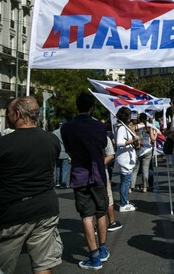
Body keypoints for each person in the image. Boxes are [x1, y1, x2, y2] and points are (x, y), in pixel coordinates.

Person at [0, 96, 62, 274]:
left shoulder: (0, 144)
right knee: (43, 265)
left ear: (17, 114)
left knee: (1, 266)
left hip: (14, 212)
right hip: (46, 207)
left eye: (8, 113)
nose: (7, 117)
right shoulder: (52, 140)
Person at [62, 92, 111, 269]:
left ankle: (94, 257)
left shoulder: (66, 128)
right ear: (92, 107)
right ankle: (103, 249)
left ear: (77, 106)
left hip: (80, 174)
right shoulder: (100, 126)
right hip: (98, 173)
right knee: (101, 212)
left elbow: (69, 151)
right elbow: (103, 146)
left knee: (86, 215)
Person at [114, 107, 139, 213]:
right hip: (125, 159)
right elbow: (119, 143)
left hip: (126, 158)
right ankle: (123, 204)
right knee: (125, 181)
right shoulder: (122, 128)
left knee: (125, 181)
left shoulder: (123, 126)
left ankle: (124, 201)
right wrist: (133, 140)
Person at [131, 113, 156, 193]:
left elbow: (132, 137)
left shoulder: (135, 126)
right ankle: (145, 187)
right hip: (147, 150)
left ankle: (131, 187)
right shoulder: (149, 127)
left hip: (138, 150)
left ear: (139, 119)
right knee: (145, 170)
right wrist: (156, 135)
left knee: (135, 170)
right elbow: (152, 140)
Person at [53, 119, 69, 188]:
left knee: (58, 168)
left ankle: (57, 183)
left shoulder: (54, 132)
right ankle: (63, 183)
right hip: (65, 152)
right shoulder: (67, 132)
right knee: (65, 168)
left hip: (57, 152)